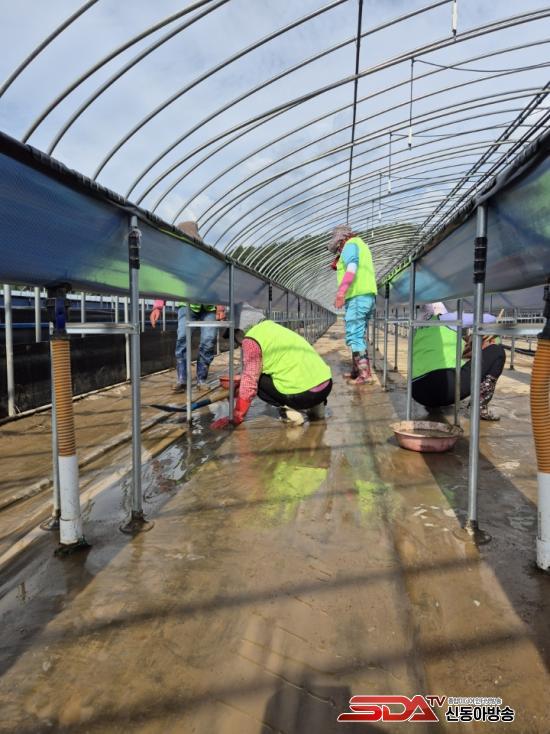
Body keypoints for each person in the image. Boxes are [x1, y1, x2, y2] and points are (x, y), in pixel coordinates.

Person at [211, 303, 333, 429]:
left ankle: (292, 413)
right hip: (325, 386)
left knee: (257, 382)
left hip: (304, 395)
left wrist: (237, 415)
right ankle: (317, 408)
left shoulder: (251, 339)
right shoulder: (273, 327)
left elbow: (250, 382)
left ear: (239, 329)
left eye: (234, 336)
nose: (237, 342)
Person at [149, 221, 225, 392]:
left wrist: (220, 307)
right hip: (187, 304)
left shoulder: (207, 257)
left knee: (208, 341)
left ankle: (201, 379)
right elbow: (166, 282)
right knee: (182, 338)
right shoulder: (176, 260)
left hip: (209, 307)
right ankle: (182, 379)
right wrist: (157, 307)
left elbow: (218, 282)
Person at [411, 302, 506, 420]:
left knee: (441, 369)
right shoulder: (445, 319)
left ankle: (433, 406)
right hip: (442, 388)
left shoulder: (418, 329)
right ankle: (479, 407)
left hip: (417, 392)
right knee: (497, 351)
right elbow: (488, 318)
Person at [328, 224, 378, 384]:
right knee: (358, 334)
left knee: (355, 335)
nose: (338, 251)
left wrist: (341, 292)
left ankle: (365, 375)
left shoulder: (350, 245)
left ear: (341, 241)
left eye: (338, 248)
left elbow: (352, 267)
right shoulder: (361, 245)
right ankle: (357, 371)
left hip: (358, 296)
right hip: (366, 296)